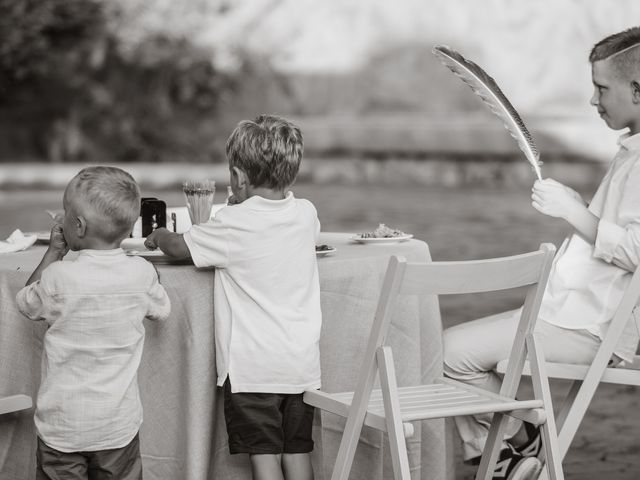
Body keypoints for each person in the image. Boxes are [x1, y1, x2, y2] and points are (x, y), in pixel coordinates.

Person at [443, 26, 640, 480]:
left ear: (637, 89)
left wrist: (572, 210)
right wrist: (580, 204)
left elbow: (633, 250)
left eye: (601, 88)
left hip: (590, 327)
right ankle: (520, 440)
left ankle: (504, 453)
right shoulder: (629, 152)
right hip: (569, 311)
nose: (594, 100)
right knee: (450, 350)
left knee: (449, 355)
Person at [145, 114, 321, 480]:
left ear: (239, 177)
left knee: (265, 456)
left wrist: (159, 234)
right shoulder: (306, 214)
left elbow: (179, 248)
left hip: (253, 370)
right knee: (297, 450)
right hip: (301, 365)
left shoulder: (232, 224)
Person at [16, 166, 171, 480]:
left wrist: (53, 253)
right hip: (117, 428)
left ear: (79, 225)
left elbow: (26, 302)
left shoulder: (58, 277)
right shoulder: (140, 273)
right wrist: (150, 278)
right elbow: (161, 309)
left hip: (62, 427)